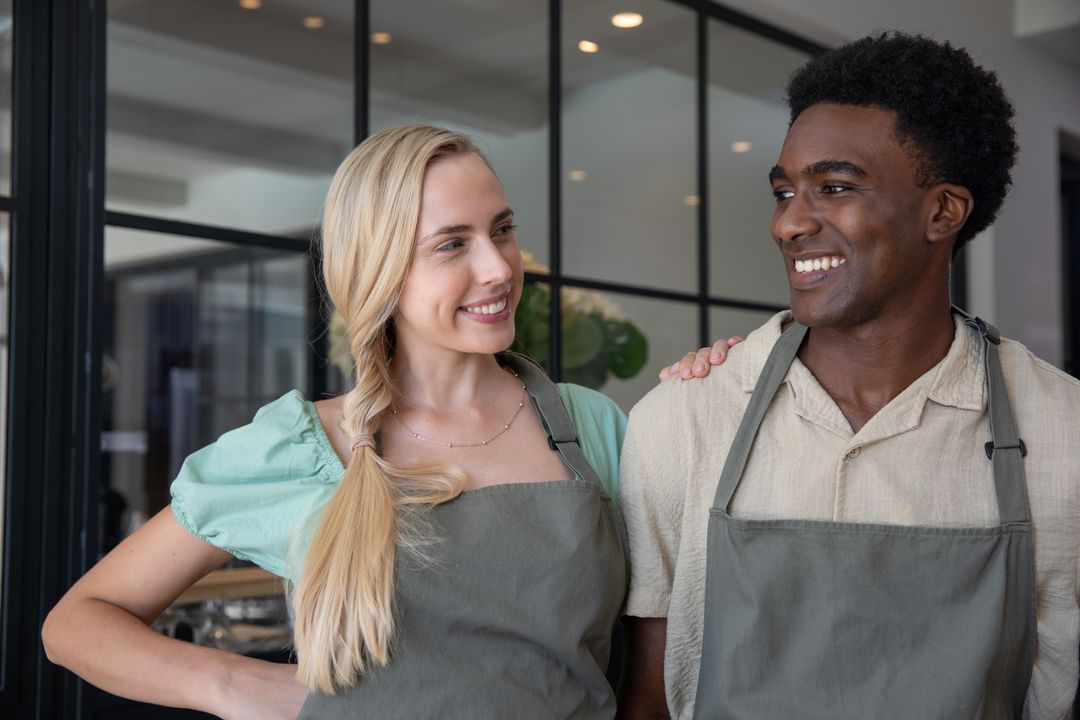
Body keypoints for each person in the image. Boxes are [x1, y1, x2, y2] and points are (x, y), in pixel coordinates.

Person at [41, 124, 736, 718]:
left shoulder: (592, 426)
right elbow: (76, 622)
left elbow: (687, 625)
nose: (498, 268)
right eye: (451, 245)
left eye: (502, 230)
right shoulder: (302, 449)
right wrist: (236, 683)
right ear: (378, 271)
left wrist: (723, 393)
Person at [617, 32, 1080, 719]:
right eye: (784, 191)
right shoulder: (683, 420)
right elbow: (649, 698)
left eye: (834, 187)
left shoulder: (1064, 433)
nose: (789, 224)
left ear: (943, 211)